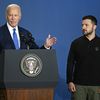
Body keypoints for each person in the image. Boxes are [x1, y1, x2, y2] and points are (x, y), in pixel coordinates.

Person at [0, 3, 56, 100]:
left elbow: (36, 53)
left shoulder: (25, 33)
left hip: (24, 79)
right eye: (10, 15)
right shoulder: (0, 32)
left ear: (20, 17)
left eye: (15, 15)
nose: (13, 18)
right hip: (5, 81)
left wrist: (46, 46)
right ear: (6, 16)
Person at [67, 15, 100, 100]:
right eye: (82, 25)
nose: (83, 27)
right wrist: (70, 81)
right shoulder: (76, 43)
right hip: (78, 86)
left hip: (97, 87)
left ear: (94, 26)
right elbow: (70, 63)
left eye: (86, 25)